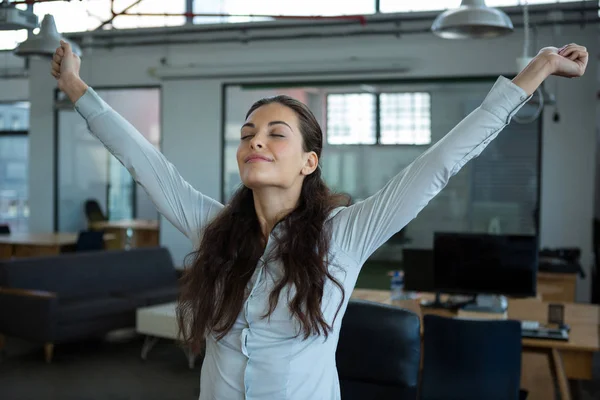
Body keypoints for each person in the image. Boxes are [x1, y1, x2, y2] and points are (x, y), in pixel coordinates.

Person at [51, 40, 587, 399]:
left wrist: (535, 72)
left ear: (310, 162)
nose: (254, 139)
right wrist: (75, 85)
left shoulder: (344, 235)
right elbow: (144, 162)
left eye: (275, 132)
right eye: (246, 134)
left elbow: (440, 165)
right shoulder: (214, 230)